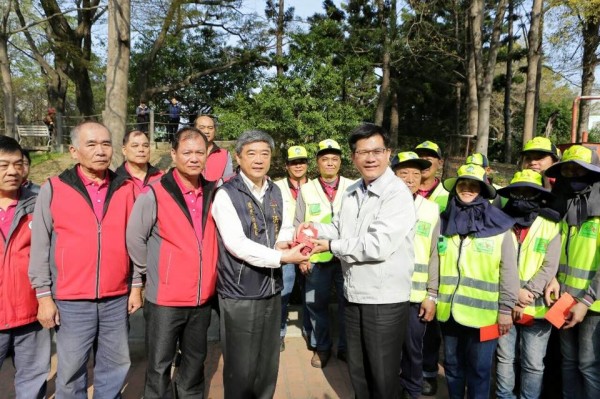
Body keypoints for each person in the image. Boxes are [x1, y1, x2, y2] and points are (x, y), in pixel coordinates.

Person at [29, 121, 140, 398]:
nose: (100, 151)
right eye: (91, 144)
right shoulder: (54, 188)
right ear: (74, 151)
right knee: (71, 371)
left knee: (115, 366)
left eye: (105, 144)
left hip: (116, 298)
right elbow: (40, 244)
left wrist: (136, 284)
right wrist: (43, 296)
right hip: (71, 299)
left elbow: (136, 243)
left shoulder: (125, 188)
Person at [305, 123, 416, 398]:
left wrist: (330, 245)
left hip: (384, 299)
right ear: (353, 158)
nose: (370, 158)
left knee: (382, 373)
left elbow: (377, 246)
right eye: (362, 152)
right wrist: (314, 229)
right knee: (359, 369)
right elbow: (340, 227)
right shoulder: (354, 190)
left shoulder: (396, 193)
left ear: (388, 153)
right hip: (355, 294)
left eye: (376, 151)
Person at [211, 130, 309, 399]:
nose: (258, 159)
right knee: (241, 367)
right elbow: (237, 244)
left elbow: (285, 227)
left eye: (265, 153)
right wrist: (282, 258)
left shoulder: (275, 190)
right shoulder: (226, 194)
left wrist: (289, 241)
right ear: (238, 157)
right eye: (251, 153)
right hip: (240, 292)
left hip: (271, 289)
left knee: (267, 363)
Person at [126, 127, 219, 398]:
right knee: (158, 365)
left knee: (194, 362)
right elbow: (135, 239)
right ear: (173, 154)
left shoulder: (215, 193)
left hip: (202, 299)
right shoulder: (154, 194)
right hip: (165, 299)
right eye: (186, 152)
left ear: (208, 154)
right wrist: (153, 273)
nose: (193, 158)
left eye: (199, 152)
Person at [436, 163, 518, 399]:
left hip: (486, 315)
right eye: (463, 184)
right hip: (448, 312)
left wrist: (506, 310)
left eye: (475, 185)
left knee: (480, 370)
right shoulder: (444, 222)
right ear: (456, 188)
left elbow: (509, 272)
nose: (468, 189)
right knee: (452, 366)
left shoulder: (500, 227)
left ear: (482, 191)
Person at [494, 169, 561, 399]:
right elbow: (494, 264)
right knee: (504, 358)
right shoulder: (499, 222)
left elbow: (550, 266)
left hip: (537, 307)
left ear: (539, 195)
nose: (522, 198)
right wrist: (513, 297)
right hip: (504, 305)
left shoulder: (551, 225)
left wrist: (527, 293)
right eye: (517, 193)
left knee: (533, 363)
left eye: (529, 193)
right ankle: (504, 396)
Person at [544, 145, 600, 399]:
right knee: (568, 362)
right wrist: (553, 278)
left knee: (588, 365)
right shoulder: (565, 206)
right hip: (564, 299)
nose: (572, 174)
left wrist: (586, 301)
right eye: (567, 169)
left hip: (592, 305)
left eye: (579, 170)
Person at [295, 139, 353, 368]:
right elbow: (298, 224)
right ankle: (321, 347)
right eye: (325, 159)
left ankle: (347, 348)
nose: (330, 163)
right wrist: (303, 257)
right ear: (317, 162)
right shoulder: (306, 189)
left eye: (334, 159)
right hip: (315, 260)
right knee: (313, 303)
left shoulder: (353, 186)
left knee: (347, 304)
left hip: (345, 258)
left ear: (340, 162)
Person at [0, 136, 50, 398]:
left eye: (18, 164)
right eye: (4, 165)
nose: (12, 171)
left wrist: (46, 300)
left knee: (32, 380)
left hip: (31, 310)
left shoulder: (41, 201)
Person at [391, 151, 440, 399]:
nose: (410, 178)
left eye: (415, 173)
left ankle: (412, 389)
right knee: (389, 349)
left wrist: (432, 295)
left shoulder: (431, 210)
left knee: (413, 348)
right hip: (387, 294)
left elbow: (435, 255)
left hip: (416, 296)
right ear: (393, 175)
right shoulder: (382, 207)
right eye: (403, 173)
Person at [414, 139, 448, 395]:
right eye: (420, 158)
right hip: (408, 272)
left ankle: (428, 372)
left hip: (441, 269)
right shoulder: (402, 191)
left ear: (440, 163)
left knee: (430, 327)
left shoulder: (448, 196)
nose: (425, 163)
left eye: (430, 157)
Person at [274, 145, 309, 352]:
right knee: (283, 293)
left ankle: (309, 330)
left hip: (311, 250)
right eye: (294, 162)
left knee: (311, 294)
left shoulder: (316, 187)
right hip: (286, 248)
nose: (298, 165)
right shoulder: (276, 186)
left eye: (302, 161)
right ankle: (279, 332)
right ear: (287, 165)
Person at [115, 130, 163, 196]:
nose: (141, 150)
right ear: (124, 150)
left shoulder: (161, 177)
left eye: (145, 146)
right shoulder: (115, 180)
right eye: (135, 146)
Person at [194, 114, 234, 181]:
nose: (206, 131)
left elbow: (228, 181)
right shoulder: (186, 152)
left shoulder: (224, 154)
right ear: (194, 129)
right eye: (202, 127)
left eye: (210, 128)